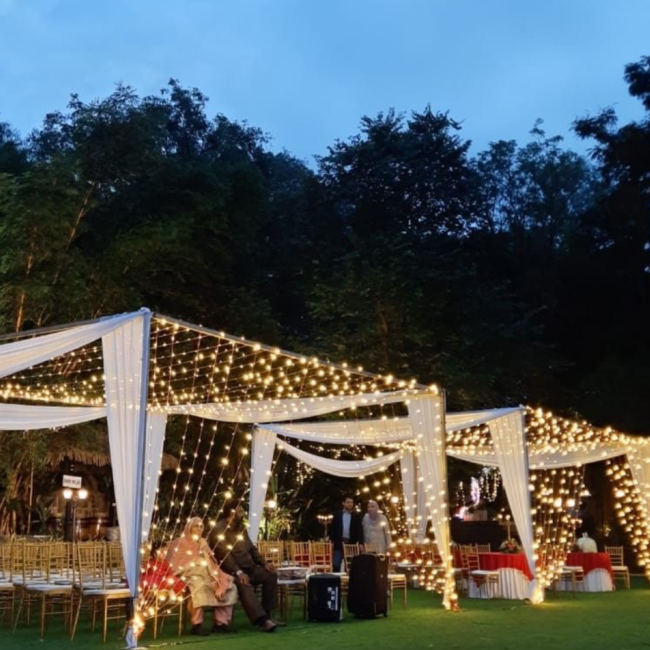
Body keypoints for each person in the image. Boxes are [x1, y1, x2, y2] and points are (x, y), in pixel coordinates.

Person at [207, 499, 282, 633]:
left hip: (250, 568)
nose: (243, 512)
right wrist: (238, 572)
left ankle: (268, 614)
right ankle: (263, 620)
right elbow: (225, 556)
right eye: (240, 510)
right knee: (244, 583)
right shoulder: (218, 530)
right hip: (230, 572)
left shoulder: (241, 528)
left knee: (271, 575)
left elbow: (252, 549)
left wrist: (264, 563)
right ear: (232, 512)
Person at [166, 517, 237, 636]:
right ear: (189, 528)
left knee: (230, 586)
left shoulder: (202, 542)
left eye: (201, 526)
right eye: (196, 526)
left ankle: (221, 624)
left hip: (208, 573)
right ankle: (197, 625)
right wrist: (194, 563)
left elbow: (212, 562)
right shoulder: (179, 542)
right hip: (187, 575)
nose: (199, 529)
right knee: (198, 586)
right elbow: (173, 565)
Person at [330, 495, 364, 572]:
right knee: (336, 563)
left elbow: (359, 530)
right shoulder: (337, 515)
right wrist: (332, 540)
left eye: (351, 502)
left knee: (350, 564)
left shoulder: (356, 516)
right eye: (348, 502)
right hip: (339, 542)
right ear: (343, 503)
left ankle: (350, 579)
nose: (350, 504)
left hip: (351, 543)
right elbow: (333, 528)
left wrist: (360, 542)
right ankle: (336, 578)